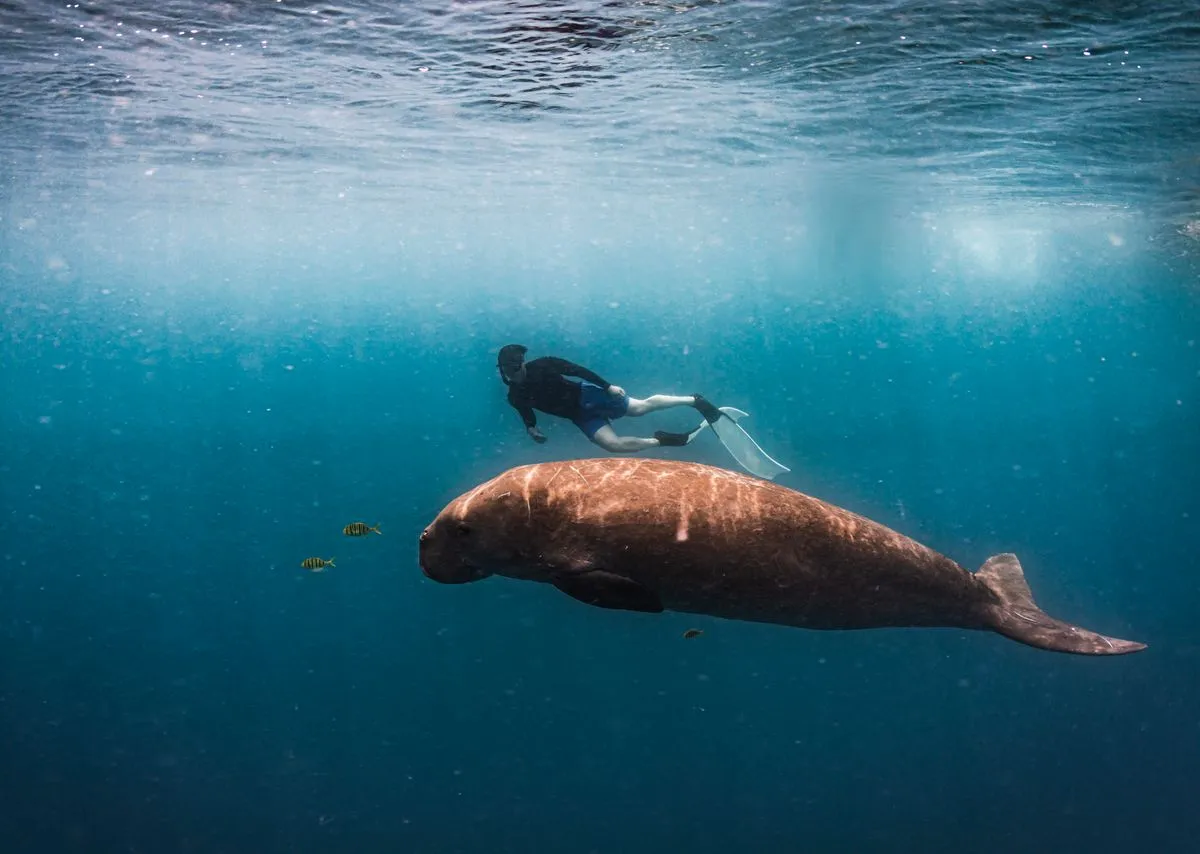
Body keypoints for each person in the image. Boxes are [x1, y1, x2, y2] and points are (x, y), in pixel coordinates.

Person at [495, 344, 722, 453]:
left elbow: (578, 371)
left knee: (639, 408)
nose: (511, 376)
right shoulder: (514, 396)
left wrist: (607, 386)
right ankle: (666, 440)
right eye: (506, 372)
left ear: (522, 364)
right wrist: (531, 428)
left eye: (514, 370)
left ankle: (695, 401)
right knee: (612, 445)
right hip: (579, 416)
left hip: (590, 395)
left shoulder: (544, 364)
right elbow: (526, 413)